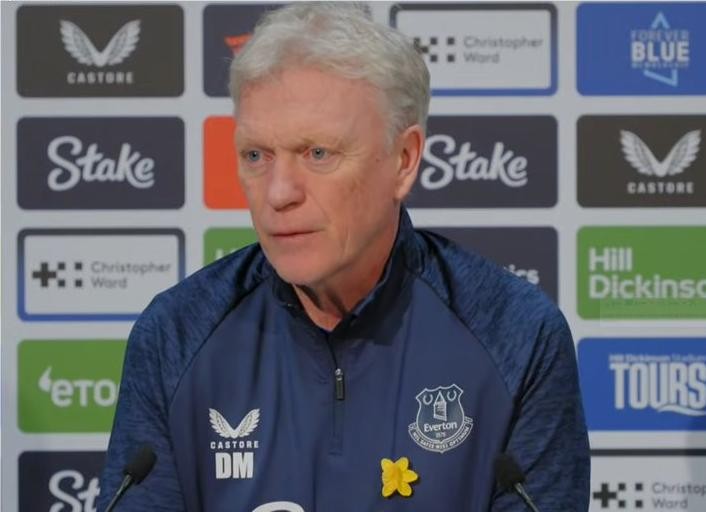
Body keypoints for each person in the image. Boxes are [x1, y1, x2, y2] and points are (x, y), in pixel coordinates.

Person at [98, 3, 590, 511]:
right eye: (256, 155)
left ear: (404, 160)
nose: (279, 192)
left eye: (318, 153)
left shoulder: (516, 335)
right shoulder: (175, 334)